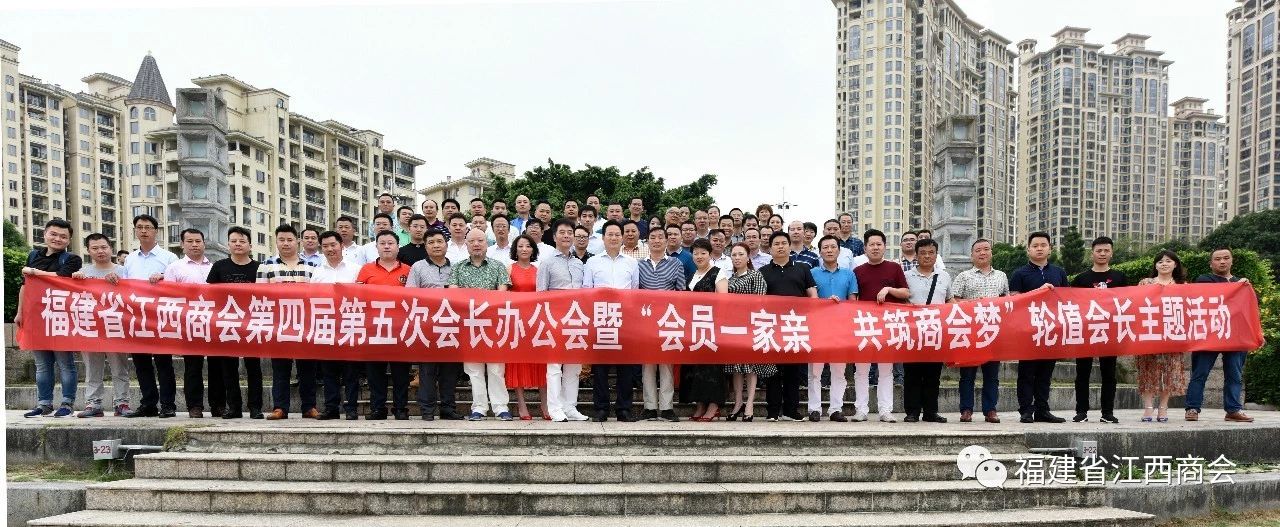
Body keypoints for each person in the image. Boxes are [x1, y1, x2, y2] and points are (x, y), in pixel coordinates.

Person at [18, 219, 84, 418]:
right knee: (42, 365)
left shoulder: (72, 259)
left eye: (63, 236)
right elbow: (25, 286)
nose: (58, 239)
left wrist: (33, 272)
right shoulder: (33, 255)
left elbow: (60, 278)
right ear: (44, 234)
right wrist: (20, 312)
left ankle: (67, 403)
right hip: (36, 317)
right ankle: (44, 404)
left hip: (61, 317)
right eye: (53, 234)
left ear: (69, 240)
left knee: (65, 363)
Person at [117, 214, 179, 418]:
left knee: (164, 363)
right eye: (140, 227)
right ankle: (148, 404)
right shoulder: (130, 259)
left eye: (148, 227)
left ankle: (168, 405)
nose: (143, 231)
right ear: (135, 230)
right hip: (136, 317)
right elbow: (125, 287)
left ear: (156, 231)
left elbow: (178, 284)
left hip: (160, 316)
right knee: (141, 363)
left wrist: (163, 277)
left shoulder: (169, 258)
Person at [449, 228, 513, 421]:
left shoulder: (498, 266)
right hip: (468, 325)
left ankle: (501, 407)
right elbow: (453, 294)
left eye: (480, 240)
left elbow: (502, 293)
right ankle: (479, 408)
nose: (476, 244)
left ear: (487, 243)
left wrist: (480, 303)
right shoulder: (458, 268)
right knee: (473, 370)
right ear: (466, 244)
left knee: (496, 368)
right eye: (472, 241)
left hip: (493, 324)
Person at [1186, 247, 1256, 423]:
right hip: (1209, 334)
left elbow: (1250, 310)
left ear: (1232, 261)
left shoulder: (1242, 284)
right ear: (1211, 264)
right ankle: (1192, 408)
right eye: (1217, 259)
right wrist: (1238, 286)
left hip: (1235, 335)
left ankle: (1233, 410)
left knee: (1234, 375)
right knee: (1200, 373)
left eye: (1226, 258)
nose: (1222, 261)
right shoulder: (1204, 280)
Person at [258, 224, 319, 420]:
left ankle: (309, 407)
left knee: (307, 369)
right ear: (276, 242)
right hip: (279, 325)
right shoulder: (266, 265)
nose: (286, 243)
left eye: (290, 240)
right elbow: (260, 296)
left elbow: (319, 295)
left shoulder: (312, 266)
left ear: (297, 242)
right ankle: (280, 408)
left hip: (306, 324)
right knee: (280, 369)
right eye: (281, 240)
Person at [583, 221, 641, 422]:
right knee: (600, 367)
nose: (614, 238)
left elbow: (634, 290)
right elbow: (587, 290)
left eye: (617, 234)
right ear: (603, 237)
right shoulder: (592, 262)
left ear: (622, 237)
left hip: (625, 319)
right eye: (610, 234)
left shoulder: (632, 263)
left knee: (626, 367)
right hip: (601, 318)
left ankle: (624, 409)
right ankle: (601, 408)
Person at [70, 234, 133, 417]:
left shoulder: (124, 271)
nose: (100, 251)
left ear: (111, 249)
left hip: (115, 326)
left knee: (119, 368)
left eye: (104, 247)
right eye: (95, 248)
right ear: (88, 251)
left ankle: (122, 403)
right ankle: (93, 404)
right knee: (92, 368)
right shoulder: (82, 272)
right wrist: (75, 280)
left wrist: (120, 283)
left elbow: (133, 295)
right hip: (90, 327)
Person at [1009, 231, 1069, 424]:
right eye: (1035, 246)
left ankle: (1043, 410)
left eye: (1043, 245)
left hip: (1052, 329)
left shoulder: (1059, 272)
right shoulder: (1019, 274)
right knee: (1027, 373)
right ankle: (1026, 410)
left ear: (1050, 249)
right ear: (1028, 250)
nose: (1039, 249)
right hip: (1028, 330)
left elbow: (1068, 299)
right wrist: (1038, 291)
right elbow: (1014, 301)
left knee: (1045, 373)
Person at [162, 228, 222, 418]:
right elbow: (169, 296)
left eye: (198, 241)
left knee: (216, 366)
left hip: (213, 323)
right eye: (190, 241)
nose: (194, 245)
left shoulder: (215, 267)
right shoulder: (175, 268)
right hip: (189, 324)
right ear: (182, 244)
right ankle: (194, 406)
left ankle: (218, 405)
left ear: (204, 244)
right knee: (192, 367)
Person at [759, 231, 817, 422]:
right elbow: (758, 300)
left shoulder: (802, 268)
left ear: (790, 246)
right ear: (770, 248)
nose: (780, 246)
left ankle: (791, 410)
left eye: (784, 243)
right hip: (772, 327)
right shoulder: (763, 271)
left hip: (795, 326)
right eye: (776, 244)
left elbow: (812, 295)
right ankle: (773, 410)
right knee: (773, 371)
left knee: (793, 371)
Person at [851, 229, 908, 423]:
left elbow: (905, 293)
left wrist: (889, 289)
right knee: (861, 370)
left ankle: (885, 410)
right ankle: (861, 410)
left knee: (886, 370)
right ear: (865, 248)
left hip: (888, 325)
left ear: (884, 246)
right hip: (864, 325)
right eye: (871, 244)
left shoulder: (894, 268)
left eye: (879, 244)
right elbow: (853, 298)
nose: (875, 248)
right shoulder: (858, 271)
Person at [355, 230, 413, 420]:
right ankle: (377, 408)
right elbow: (357, 296)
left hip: (400, 328)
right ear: (377, 247)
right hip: (374, 328)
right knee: (375, 372)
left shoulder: (408, 270)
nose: (387, 246)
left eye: (390, 243)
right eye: (382, 243)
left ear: (398, 247)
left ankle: (401, 408)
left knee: (401, 373)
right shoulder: (366, 270)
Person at [537, 219, 591, 422]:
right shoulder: (547, 262)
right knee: (554, 366)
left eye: (570, 232)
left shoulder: (578, 264)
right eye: (562, 232)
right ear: (554, 236)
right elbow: (541, 294)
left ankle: (570, 407)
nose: (567, 236)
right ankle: (555, 408)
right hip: (554, 320)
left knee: (574, 366)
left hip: (575, 320)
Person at [407, 228, 464, 421]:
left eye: (440, 241)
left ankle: (448, 408)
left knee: (450, 370)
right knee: (427, 370)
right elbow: (410, 295)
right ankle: (427, 409)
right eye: (431, 242)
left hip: (451, 325)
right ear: (425, 246)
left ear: (447, 245)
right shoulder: (417, 267)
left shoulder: (456, 267)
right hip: (427, 325)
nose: (436, 245)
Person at [950, 239, 1009, 423]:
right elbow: (952, 302)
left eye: (986, 249)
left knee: (992, 375)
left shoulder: (1001, 276)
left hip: (993, 331)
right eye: (978, 250)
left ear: (991, 253)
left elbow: (1007, 301)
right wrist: (973, 304)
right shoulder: (963, 276)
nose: (982, 253)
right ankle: (966, 410)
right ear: (972, 255)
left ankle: (990, 410)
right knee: (967, 375)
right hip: (970, 332)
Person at [1069, 236, 1127, 424]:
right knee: (1082, 373)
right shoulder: (1081, 279)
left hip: (1110, 331)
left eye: (1106, 250)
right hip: (1086, 331)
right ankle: (1081, 411)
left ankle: (1107, 412)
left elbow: (1127, 302)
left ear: (1112, 253)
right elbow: (1072, 304)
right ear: (1092, 253)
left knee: (1109, 373)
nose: (1102, 254)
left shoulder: (1119, 277)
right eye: (1099, 250)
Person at [208, 226, 263, 419]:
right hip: (227, 323)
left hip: (252, 324)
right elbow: (210, 294)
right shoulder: (219, 267)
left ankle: (255, 407)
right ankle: (234, 408)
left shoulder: (259, 268)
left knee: (254, 368)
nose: (238, 244)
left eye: (242, 241)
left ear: (250, 245)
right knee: (228, 369)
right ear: (228, 244)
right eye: (234, 241)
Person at [310, 230, 362, 420]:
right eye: (325, 246)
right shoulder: (317, 272)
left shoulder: (356, 269)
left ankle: (351, 408)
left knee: (351, 371)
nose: (330, 249)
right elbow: (311, 299)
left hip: (350, 325)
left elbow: (362, 296)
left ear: (341, 245)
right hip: (326, 326)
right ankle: (331, 408)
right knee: (328, 371)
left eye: (333, 245)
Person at [637, 227, 687, 422]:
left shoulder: (676, 264)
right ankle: (649, 406)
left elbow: (681, 292)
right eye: (653, 237)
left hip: (668, 321)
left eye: (660, 237)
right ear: (647, 241)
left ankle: (667, 407)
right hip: (646, 322)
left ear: (667, 241)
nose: (656, 241)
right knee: (648, 365)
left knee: (666, 365)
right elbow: (635, 293)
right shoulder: (639, 265)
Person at [1137, 250, 1190, 423]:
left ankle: (1163, 407)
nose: (1164, 264)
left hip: (1172, 333)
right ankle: (1148, 407)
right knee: (1147, 371)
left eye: (1168, 261)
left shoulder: (1183, 286)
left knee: (1169, 371)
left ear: (1175, 264)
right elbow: (1135, 304)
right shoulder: (1145, 283)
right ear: (1155, 265)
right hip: (1149, 331)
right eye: (1160, 261)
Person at [724, 242, 776, 422]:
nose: (737, 258)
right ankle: (738, 402)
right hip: (733, 327)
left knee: (751, 366)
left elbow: (760, 301)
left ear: (748, 257)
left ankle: (750, 404)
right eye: (734, 255)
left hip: (751, 325)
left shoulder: (756, 275)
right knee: (735, 367)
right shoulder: (729, 279)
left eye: (740, 254)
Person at [808, 235, 858, 422]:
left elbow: (853, 302)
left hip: (841, 329)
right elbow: (807, 301)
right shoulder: (812, 273)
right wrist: (824, 303)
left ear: (839, 250)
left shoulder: (849, 274)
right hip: (817, 328)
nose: (829, 250)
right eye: (825, 247)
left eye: (833, 247)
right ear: (820, 251)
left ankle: (836, 409)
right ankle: (814, 409)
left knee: (839, 371)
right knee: (815, 371)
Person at [902, 238, 951, 423]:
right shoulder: (906, 276)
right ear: (916, 255)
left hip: (936, 332)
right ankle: (912, 411)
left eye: (931, 253)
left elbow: (949, 301)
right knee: (912, 374)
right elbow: (902, 301)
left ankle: (931, 411)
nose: (927, 256)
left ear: (936, 255)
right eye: (923, 253)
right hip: (913, 332)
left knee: (933, 374)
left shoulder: (944, 276)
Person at [685, 239, 729, 421]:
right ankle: (700, 404)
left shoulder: (719, 273)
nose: (699, 256)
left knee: (712, 367)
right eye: (695, 253)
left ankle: (714, 406)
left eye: (703, 253)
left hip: (712, 326)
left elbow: (724, 301)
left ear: (710, 254)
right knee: (697, 367)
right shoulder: (692, 275)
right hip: (694, 327)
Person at [505, 235, 548, 421]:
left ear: (533, 249)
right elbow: (503, 295)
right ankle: (522, 405)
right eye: (520, 246)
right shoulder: (509, 269)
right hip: (516, 321)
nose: (524, 249)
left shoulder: (539, 270)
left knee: (541, 362)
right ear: (515, 249)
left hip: (536, 321)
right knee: (517, 362)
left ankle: (545, 404)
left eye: (528, 246)